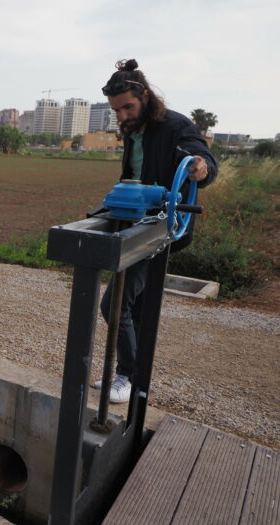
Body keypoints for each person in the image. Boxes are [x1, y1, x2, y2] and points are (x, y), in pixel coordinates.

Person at [96, 59, 217, 403]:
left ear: (145, 95)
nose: (121, 116)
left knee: (115, 305)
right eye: (116, 110)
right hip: (136, 225)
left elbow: (201, 160)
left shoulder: (176, 127)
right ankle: (136, 379)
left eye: (127, 107)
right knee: (137, 306)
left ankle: (127, 376)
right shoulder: (135, 129)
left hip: (162, 230)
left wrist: (200, 168)